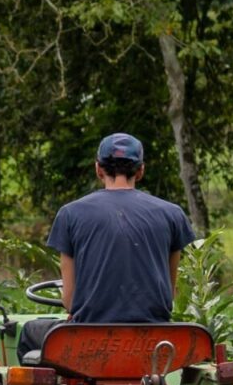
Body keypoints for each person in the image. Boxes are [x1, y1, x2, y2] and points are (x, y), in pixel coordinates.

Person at [20, 134, 197, 356]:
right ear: (140, 170)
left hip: (89, 337)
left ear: (98, 169)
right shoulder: (172, 214)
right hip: (154, 339)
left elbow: (69, 301)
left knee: (29, 333)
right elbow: (168, 295)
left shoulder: (70, 214)